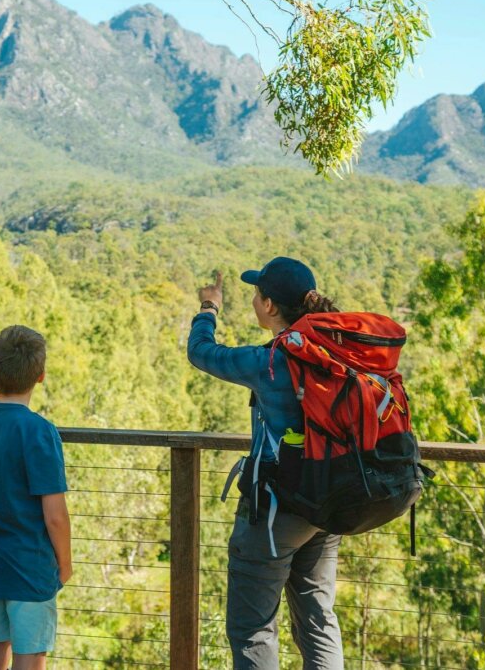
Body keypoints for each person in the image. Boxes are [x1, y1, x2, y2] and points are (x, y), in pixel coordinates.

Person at [187, 258, 345, 670]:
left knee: (253, 629)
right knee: (317, 621)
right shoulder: (336, 350)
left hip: (277, 511)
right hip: (326, 504)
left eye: (258, 294)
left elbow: (202, 353)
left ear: (271, 306)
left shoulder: (270, 362)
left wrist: (209, 309)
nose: (254, 300)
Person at [0, 326, 71, 670]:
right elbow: (54, 515)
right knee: (30, 655)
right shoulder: (38, 430)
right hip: (30, 562)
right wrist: (65, 565)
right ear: (39, 376)